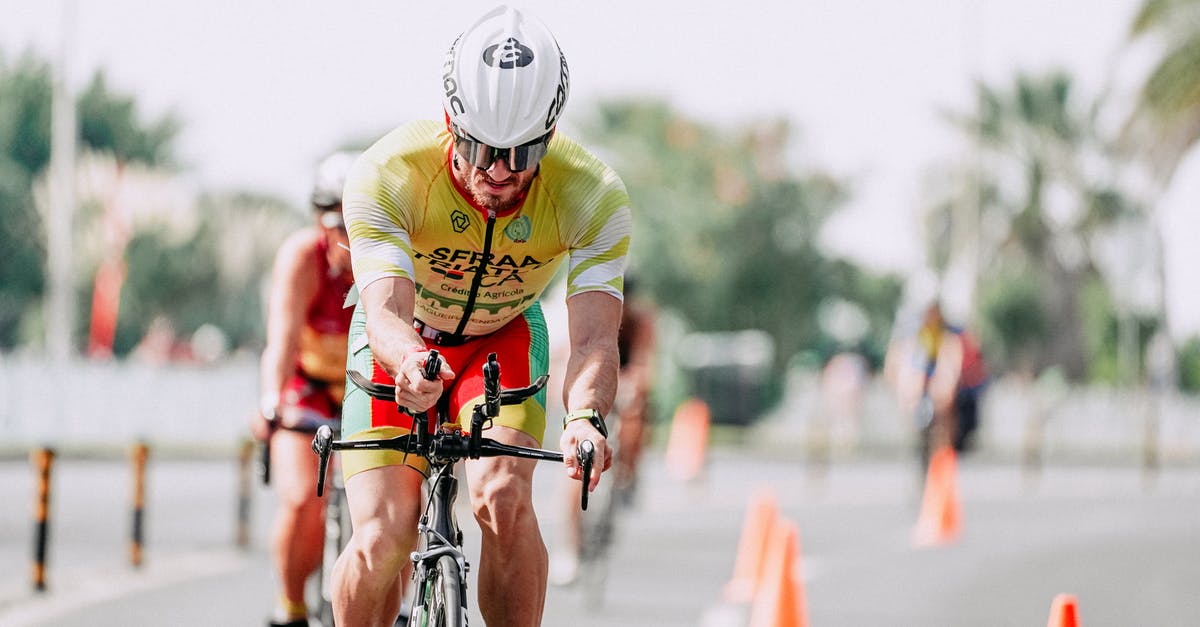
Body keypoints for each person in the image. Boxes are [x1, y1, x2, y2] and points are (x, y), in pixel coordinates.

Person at [333, 6, 630, 626]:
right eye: (480, 148)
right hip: (403, 339)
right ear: (451, 122)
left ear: (549, 138)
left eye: (521, 154)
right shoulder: (389, 172)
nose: (499, 172)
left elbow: (597, 338)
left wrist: (586, 418)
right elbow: (385, 313)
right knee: (384, 535)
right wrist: (410, 362)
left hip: (505, 337)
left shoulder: (592, 193)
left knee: (501, 499)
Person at [253, 151, 357, 627]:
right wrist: (270, 401)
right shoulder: (302, 257)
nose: (346, 238)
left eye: (357, 222)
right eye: (334, 223)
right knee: (301, 499)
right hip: (308, 385)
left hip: (365, 388)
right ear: (319, 221)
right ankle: (292, 605)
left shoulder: (387, 255)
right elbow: (282, 338)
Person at [550, 273, 657, 585]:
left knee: (637, 412)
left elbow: (643, 363)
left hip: (623, 378)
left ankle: (628, 474)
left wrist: (634, 387)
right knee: (576, 469)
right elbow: (566, 360)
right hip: (586, 384)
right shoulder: (585, 310)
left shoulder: (642, 321)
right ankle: (570, 547)